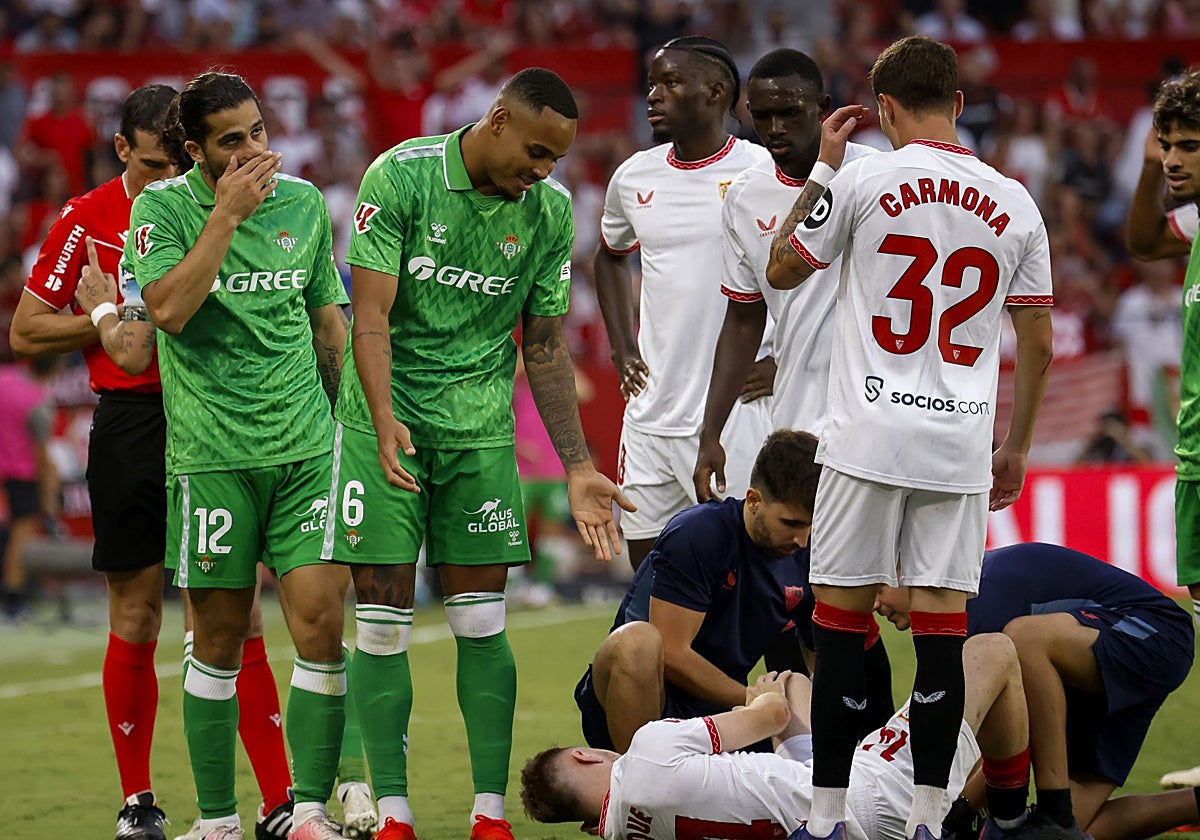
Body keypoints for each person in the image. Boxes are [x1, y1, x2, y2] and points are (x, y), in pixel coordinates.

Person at [322, 68, 631, 840]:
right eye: (535, 152)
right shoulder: (400, 177)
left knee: (483, 624)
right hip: (385, 430)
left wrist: (578, 464)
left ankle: (490, 814)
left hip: (481, 437)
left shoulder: (549, 212)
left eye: (555, 159)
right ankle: (394, 814)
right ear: (497, 120)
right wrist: (383, 419)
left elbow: (545, 344)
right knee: (382, 627)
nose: (543, 171)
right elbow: (369, 317)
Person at [764, 36, 1054, 840]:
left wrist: (822, 169)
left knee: (839, 629)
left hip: (865, 437)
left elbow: (782, 268)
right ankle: (927, 819)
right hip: (957, 447)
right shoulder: (1016, 203)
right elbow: (1037, 342)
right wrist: (1016, 446)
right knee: (940, 643)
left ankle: (827, 820)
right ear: (957, 103)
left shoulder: (863, 178)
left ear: (884, 108)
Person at [8, 84, 297, 840]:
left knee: (236, 614)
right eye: (153, 166)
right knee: (136, 613)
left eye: (180, 165)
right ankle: (138, 801)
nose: (170, 179)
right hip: (136, 420)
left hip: (219, 415)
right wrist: (104, 320)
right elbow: (27, 331)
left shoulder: (222, 206)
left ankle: (278, 801)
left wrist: (121, 314)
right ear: (122, 150)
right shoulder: (86, 218)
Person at [124, 71, 352, 840]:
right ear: (194, 151)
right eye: (231, 141)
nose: (254, 150)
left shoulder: (304, 204)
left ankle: (308, 810)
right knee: (219, 644)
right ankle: (218, 821)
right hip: (213, 459)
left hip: (306, 451)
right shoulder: (160, 210)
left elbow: (327, 324)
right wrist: (225, 216)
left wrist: (352, 426)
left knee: (321, 627)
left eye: (258, 130)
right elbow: (167, 310)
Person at [523, 634, 1038, 840]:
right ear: (585, 755)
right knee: (993, 651)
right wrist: (757, 699)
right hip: (869, 798)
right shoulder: (647, 751)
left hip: (815, 809)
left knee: (793, 683)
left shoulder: (623, 834)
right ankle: (1011, 821)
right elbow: (768, 718)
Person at [576, 429, 893, 754]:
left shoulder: (806, 554)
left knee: (795, 686)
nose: (802, 540)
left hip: (719, 712)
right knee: (638, 643)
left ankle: (821, 776)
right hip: (641, 700)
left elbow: (820, 657)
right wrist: (751, 698)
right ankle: (636, 776)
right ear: (753, 500)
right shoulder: (698, 534)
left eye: (812, 526)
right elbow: (671, 653)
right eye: (792, 523)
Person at [594, 36, 774, 571]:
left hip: (738, 412)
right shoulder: (633, 176)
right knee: (651, 579)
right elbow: (609, 256)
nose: (653, 95)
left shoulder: (763, 172)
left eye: (671, 83)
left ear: (716, 92)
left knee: (752, 576)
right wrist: (622, 349)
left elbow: (818, 276)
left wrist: (787, 360)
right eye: (651, 83)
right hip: (650, 413)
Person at [877, 542, 1197, 840]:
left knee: (1023, 638)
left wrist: (957, 810)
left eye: (879, 589)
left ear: (909, 570)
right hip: (1092, 667)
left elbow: (1011, 735)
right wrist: (959, 810)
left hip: (1155, 633)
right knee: (1064, 834)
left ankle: (1055, 808)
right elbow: (1010, 735)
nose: (876, 605)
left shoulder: (978, 603)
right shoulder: (965, 604)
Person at [693, 48, 877, 504]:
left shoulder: (874, 175)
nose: (775, 128)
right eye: (762, 116)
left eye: (790, 113)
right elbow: (743, 317)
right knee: (798, 543)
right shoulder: (744, 196)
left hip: (874, 409)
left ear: (822, 107)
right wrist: (711, 432)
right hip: (797, 413)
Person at [1125, 66, 1200, 794]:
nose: (1173, 158)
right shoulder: (1196, 222)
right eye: (1166, 143)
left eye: (1188, 147)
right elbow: (1144, 239)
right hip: (1195, 453)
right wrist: (1151, 169)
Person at [0, 356, 59, 620]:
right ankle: (14, 601)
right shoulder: (39, 402)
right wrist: (49, 500)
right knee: (20, 540)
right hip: (21, 475)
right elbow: (41, 456)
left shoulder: (3, 378)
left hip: (7, 473)